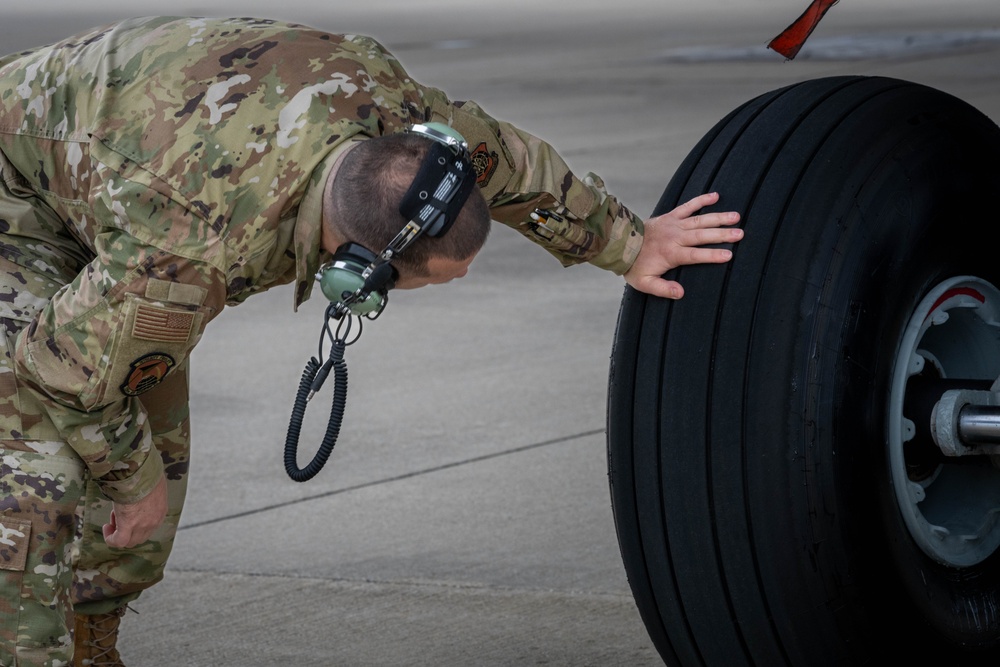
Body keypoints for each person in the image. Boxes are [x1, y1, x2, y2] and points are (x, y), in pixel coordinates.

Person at [0, 15, 742, 666]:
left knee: (152, 484)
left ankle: (91, 640)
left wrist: (627, 240)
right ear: (358, 270)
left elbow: (508, 161)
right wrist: (133, 479)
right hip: (20, 192)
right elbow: (57, 369)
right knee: (42, 491)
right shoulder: (189, 252)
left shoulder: (396, 119)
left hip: (114, 167)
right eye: (423, 285)